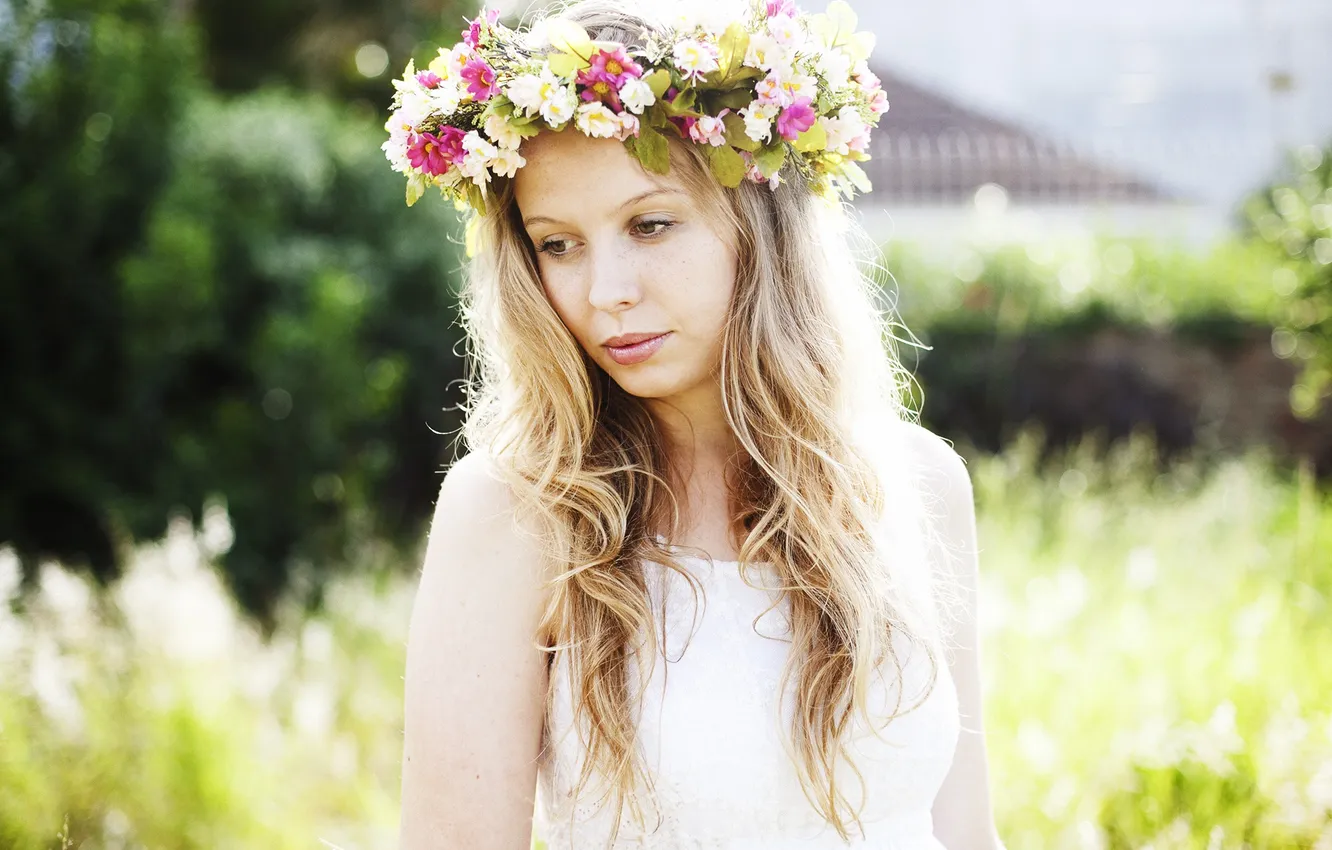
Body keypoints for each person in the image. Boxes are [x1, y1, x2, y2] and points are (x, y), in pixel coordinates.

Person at [389, 0, 1003, 846]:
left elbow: (964, 832)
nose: (606, 291)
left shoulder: (919, 484)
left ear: (760, 222)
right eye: (557, 244)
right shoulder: (515, 513)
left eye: (650, 225)